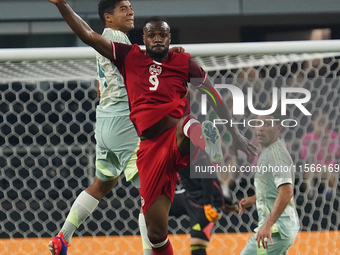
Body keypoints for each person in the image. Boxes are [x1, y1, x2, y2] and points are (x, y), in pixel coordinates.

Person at [47, 1, 257, 254]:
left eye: (163, 35)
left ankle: (63, 236)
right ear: (142, 37)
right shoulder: (125, 48)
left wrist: (234, 134)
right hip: (137, 135)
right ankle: (207, 191)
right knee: (152, 218)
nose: (130, 12)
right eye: (123, 9)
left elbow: (212, 94)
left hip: (129, 125)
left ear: (168, 37)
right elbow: (88, 35)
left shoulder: (172, 60)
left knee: (104, 183)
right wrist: (62, 5)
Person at [239, 108, 300, 255]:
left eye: (267, 123)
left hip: (276, 232)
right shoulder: (268, 151)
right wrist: (254, 199)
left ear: (278, 127)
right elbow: (273, 187)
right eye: (258, 123)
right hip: (273, 230)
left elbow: (286, 191)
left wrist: (268, 225)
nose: (261, 128)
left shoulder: (276, 154)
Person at [170, 149, 238, 255]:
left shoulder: (197, 153)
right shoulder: (174, 150)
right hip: (187, 196)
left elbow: (209, 179)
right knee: (153, 207)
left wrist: (209, 204)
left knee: (197, 246)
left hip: (202, 204)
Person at [300, 110, 339, 196]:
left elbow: (332, 156)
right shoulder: (307, 137)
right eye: (319, 122)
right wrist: (313, 147)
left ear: (328, 123)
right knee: (309, 171)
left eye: (323, 122)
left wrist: (324, 141)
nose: (321, 125)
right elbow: (305, 157)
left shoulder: (334, 136)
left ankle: (335, 196)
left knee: (329, 171)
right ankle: (309, 196)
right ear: (313, 124)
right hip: (313, 166)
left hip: (330, 166)